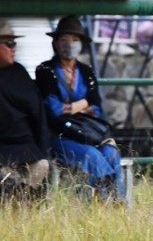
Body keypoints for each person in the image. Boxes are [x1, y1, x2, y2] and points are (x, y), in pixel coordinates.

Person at [35, 16, 125, 202]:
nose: (70, 44)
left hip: (88, 134)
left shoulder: (86, 71)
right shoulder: (45, 70)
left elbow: (97, 109)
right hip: (60, 135)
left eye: (75, 40)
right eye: (64, 39)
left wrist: (69, 108)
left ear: (81, 43)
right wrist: (84, 104)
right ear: (55, 43)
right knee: (92, 155)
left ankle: (117, 202)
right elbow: (53, 110)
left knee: (110, 152)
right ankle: (104, 201)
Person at [0, 20, 49, 201]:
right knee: (7, 177)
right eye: (9, 44)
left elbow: (38, 115)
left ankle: (24, 206)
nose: (14, 48)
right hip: (2, 150)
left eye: (15, 44)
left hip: (26, 148)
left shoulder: (19, 73)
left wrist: (42, 150)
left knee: (41, 166)